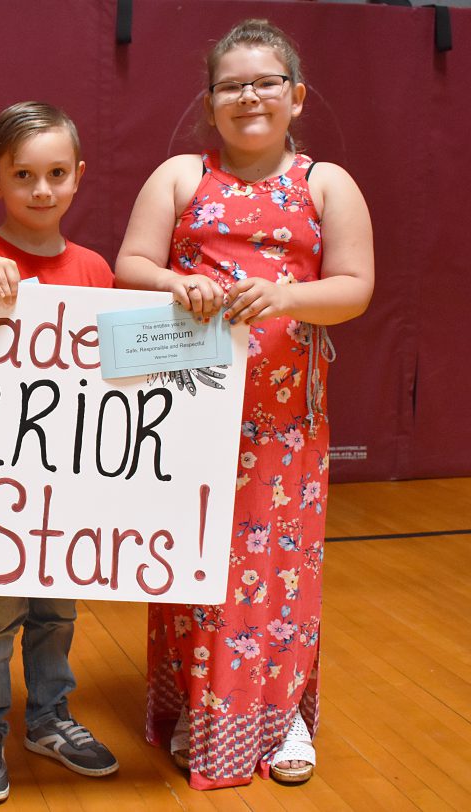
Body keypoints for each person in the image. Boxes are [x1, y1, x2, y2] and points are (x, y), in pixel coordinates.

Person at [114, 19, 374, 789]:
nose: (249, 96)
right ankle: (203, 707)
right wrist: (177, 282)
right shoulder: (179, 175)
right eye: (232, 84)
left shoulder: (326, 182)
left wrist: (287, 293)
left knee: (277, 569)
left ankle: (282, 713)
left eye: (266, 82)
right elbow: (131, 264)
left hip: (285, 426)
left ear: (295, 96)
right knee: (194, 564)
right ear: (210, 99)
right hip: (187, 415)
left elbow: (355, 289)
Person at [0, 101, 119, 804]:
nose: (41, 190)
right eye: (24, 175)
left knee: (58, 610)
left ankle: (49, 716)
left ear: (78, 176)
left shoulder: (96, 269)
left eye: (55, 173)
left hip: (67, 479)